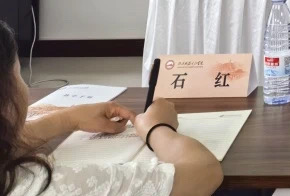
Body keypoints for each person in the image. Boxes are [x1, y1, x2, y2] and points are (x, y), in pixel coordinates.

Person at [0, 20, 222, 196]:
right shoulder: (46, 183)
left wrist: (68, 119)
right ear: (7, 95)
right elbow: (203, 173)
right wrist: (157, 127)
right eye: (19, 76)